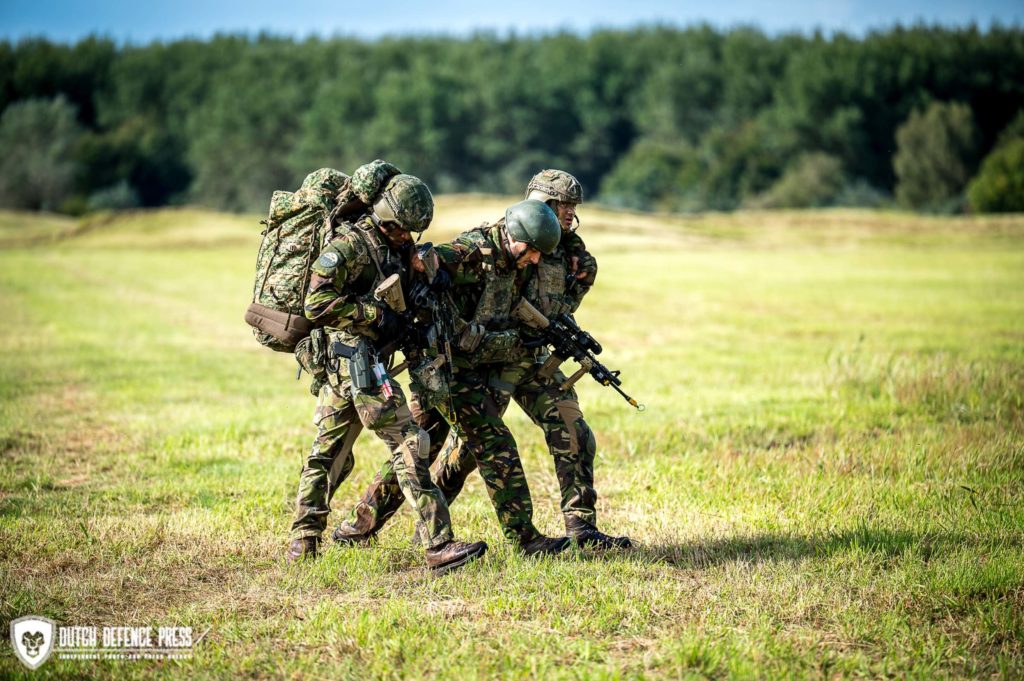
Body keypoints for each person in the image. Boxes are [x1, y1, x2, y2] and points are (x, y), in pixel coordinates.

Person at [336, 181, 631, 550]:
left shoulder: (551, 255)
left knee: (433, 449)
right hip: (448, 365)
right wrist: (432, 276)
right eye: (562, 205)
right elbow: (421, 260)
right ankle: (520, 539)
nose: (536, 260)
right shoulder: (480, 248)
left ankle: (357, 527)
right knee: (466, 446)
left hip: (497, 360)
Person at [285, 168, 486, 575]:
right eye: (401, 230)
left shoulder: (397, 248)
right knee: (408, 441)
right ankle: (438, 545)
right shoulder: (349, 246)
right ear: (385, 217)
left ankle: (303, 541)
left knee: (330, 452)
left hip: (359, 359)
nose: (406, 237)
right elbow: (315, 304)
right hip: (351, 359)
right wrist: (372, 314)